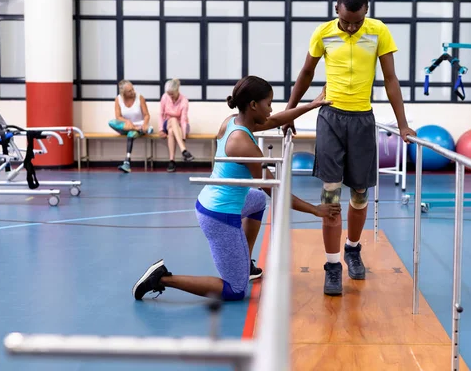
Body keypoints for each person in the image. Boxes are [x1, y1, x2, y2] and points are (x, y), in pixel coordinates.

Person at [132, 75, 341, 302]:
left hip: (211, 200)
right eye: (268, 103)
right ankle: (161, 278)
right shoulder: (243, 144)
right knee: (236, 290)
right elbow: (273, 188)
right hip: (219, 216)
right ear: (253, 105)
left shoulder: (233, 120)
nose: (271, 109)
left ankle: (244, 262)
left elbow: (274, 121)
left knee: (257, 201)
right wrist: (315, 210)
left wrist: (312, 105)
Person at [282, 0, 417, 296]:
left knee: (359, 192)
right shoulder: (324, 33)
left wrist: (403, 124)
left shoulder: (379, 31)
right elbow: (305, 72)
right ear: (336, 10)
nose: (352, 27)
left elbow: (391, 79)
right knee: (330, 193)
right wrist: (290, 113)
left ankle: (353, 249)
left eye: (357, 21)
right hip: (330, 118)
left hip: (362, 119)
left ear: (366, 11)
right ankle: (332, 266)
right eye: (346, 21)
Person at [108, 80, 154, 173]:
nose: (133, 92)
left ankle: (127, 163)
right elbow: (118, 117)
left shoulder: (140, 98)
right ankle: (137, 128)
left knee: (131, 134)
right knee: (111, 122)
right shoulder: (118, 99)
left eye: (132, 89)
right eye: (129, 91)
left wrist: (144, 124)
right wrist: (127, 121)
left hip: (138, 127)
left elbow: (146, 115)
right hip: (125, 127)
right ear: (123, 93)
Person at [159, 78, 194, 172]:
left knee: (171, 131)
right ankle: (184, 150)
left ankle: (172, 161)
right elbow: (161, 114)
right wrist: (161, 129)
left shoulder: (184, 101)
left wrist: (183, 137)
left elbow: (183, 120)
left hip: (183, 126)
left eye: (172, 94)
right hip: (168, 123)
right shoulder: (165, 97)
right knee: (172, 120)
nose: (170, 96)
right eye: (168, 94)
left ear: (177, 90)